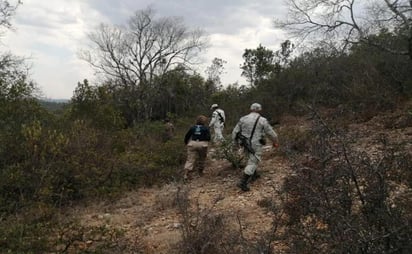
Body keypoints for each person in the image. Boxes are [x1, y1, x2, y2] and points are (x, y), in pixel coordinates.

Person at [232, 103, 279, 191]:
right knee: (253, 161)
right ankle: (243, 182)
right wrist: (275, 141)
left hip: (244, 143)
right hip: (256, 144)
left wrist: (235, 144)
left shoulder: (243, 119)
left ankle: (254, 175)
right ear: (260, 110)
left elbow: (234, 132)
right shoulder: (262, 120)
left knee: (249, 159)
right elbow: (271, 133)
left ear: (251, 109)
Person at [183, 115, 211, 181]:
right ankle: (200, 172)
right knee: (202, 158)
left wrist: (186, 142)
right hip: (202, 144)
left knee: (190, 159)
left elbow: (187, 136)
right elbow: (208, 138)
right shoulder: (206, 128)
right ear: (204, 121)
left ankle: (186, 174)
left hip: (192, 143)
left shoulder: (192, 127)